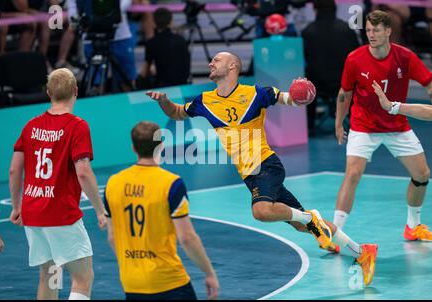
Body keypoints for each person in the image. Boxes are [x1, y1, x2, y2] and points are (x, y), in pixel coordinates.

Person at [146, 51, 378, 286]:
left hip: (265, 165)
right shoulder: (204, 101)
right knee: (300, 225)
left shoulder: (256, 93)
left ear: (233, 65)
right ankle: (362, 252)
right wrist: (163, 101)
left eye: (217, 60)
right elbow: (176, 113)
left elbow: (289, 99)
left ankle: (311, 217)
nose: (210, 63)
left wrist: (301, 95)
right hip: (249, 175)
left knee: (261, 211)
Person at [9, 68, 108, 300]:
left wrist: (16, 206)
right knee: (82, 279)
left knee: (50, 275)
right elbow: (83, 172)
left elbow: (15, 169)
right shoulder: (77, 125)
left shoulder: (31, 125)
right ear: (76, 90)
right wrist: (100, 211)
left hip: (34, 213)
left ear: (48, 92)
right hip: (60, 213)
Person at [333, 10, 432, 241]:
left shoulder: (405, 57)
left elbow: (428, 81)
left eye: (376, 30)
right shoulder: (354, 58)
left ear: (388, 31)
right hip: (363, 125)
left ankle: (413, 226)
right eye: (368, 30)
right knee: (353, 173)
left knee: (422, 175)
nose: (371, 34)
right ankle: (335, 233)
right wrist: (339, 123)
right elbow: (344, 93)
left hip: (396, 125)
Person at [104, 121, 219, 300]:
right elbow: (187, 238)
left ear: (133, 148)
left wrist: (131, 266)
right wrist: (209, 272)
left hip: (132, 283)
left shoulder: (113, 183)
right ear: (161, 146)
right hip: (169, 282)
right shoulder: (171, 184)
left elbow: (112, 237)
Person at [301, 0, 360, 135]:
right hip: (346, 84)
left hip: (318, 85)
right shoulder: (347, 29)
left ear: (315, 10)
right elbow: (357, 58)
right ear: (335, 9)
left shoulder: (307, 32)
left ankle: (309, 124)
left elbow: (306, 58)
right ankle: (356, 120)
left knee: (306, 77)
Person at [140, 7, 190, 88]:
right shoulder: (181, 40)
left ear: (154, 23)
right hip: (182, 85)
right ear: (171, 22)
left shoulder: (152, 43)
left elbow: (145, 72)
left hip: (163, 87)